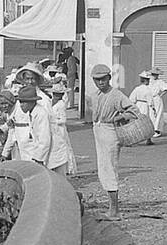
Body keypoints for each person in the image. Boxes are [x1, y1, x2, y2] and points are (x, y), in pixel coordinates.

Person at [87, 64, 138, 220]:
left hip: (110, 132)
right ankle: (111, 207)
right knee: (103, 169)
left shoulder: (116, 95)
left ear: (109, 78)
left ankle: (114, 210)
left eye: (103, 79)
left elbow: (134, 111)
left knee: (110, 168)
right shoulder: (95, 95)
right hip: (99, 131)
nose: (100, 83)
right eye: (97, 80)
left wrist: (118, 117)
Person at [2, 84, 52, 165]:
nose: (21, 105)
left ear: (32, 101)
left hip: (39, 156)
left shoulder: (41, 113)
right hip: (29, 154)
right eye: (20, 102)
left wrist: (39, 159)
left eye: (24, 102)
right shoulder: (30, 113)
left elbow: (44, 139)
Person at [47, 82, 75, 176]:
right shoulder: (49, 102)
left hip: (59, 129)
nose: (56, 96)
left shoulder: (61, 104)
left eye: (58, 94)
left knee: (62, 147)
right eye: (55, 94)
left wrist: (53, 121)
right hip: (51, 129)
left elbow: (63, 119)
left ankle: (65, 168)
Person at [129, 71, 155, 145]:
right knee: (146, 123)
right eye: (148, 80)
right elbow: (150, 101)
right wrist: (152, 107)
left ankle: (133, 138)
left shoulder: (137, 89)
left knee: (136, 122)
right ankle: (148, 139)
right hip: (145, 106)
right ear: (146, 80)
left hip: (137, 105)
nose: (149, 81)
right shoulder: (147, 90)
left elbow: (132, 99)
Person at [147, 68, 167, 136]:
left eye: (156, 75)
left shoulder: (160, 82)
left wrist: (160, 95)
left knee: (158, 114)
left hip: (156, 99)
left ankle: (157, 130)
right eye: (154, 74)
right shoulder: (149, 81)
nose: (155, 76)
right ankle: (151, 129)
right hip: (149, 98)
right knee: (151, 114)